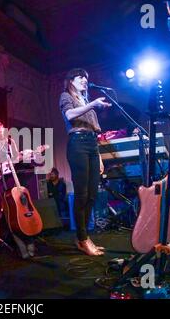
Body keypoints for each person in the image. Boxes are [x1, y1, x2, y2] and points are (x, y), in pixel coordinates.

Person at [59, 68, 111, 256]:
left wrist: (98, 157)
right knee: (81, 194)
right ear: (71, 80)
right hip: (77, 144)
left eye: (86, 78)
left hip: (91, 145)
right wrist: (93, 105)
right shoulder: (66, 96)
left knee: (92, 194)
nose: (85, 80)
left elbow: (94, 131)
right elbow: (70, 115)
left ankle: (84, 237)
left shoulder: (87, 101)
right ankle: (82, 238)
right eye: (80, 77)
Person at [0, 121, 36, 259]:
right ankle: (19, 245)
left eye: (1, 132)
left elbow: (16, 157)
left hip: (11, 177)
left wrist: (27, 154)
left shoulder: (10, 142)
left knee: (18, 208)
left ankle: (28, 239)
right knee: (5, 210)